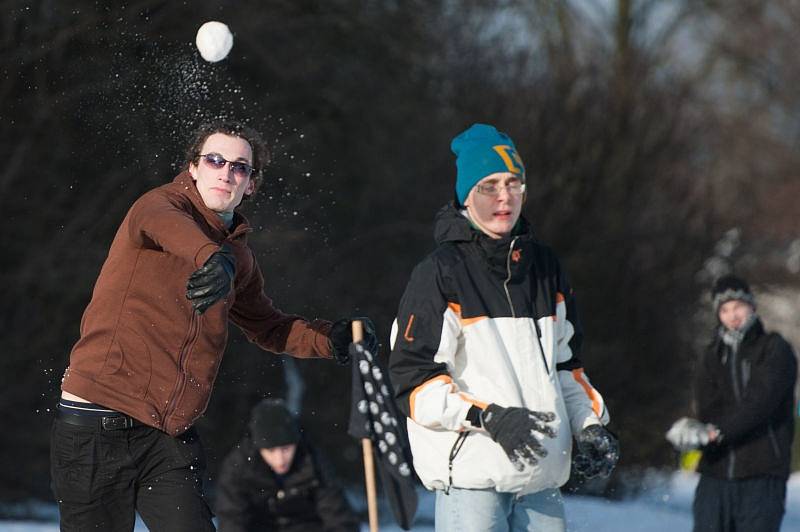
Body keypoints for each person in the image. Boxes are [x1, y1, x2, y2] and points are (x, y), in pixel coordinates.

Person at [49, 120, 375, 531]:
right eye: (215, 160)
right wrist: (210, 257)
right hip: (97, 423)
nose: (226, 172)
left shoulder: (238, 258)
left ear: (251, 184)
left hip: (166, 436)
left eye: (240, 167)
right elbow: (167, 224)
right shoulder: (156, 206)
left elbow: (269, 326)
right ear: (193, 168)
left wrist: (330, 339)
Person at [388, 123, 619, 532]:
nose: (504, 197)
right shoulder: (440, 273)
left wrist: (588, 426)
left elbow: (566, 367)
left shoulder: (545, 268)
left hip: (541, 476)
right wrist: (489, 417)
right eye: (489, 185)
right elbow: (414, 382)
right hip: (474, 479)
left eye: (514, 183)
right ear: (467, 195)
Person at [666, 274, 797, 532]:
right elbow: (706, 407)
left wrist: (718, 431)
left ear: (752, 306)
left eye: (738, 306)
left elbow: (761, 402)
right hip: (717, 473)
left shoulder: (774, 349)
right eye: (724, 309)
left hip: (762, 472)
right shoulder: (711, 355)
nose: (732, 315)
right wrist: (694, 429)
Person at [215, 398, 360, 532]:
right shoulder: (237, 468)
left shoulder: (312, 460)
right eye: (271, 450)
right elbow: (232, 521)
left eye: (286, 449)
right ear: (258, 448)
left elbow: (339, 518)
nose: (280, 459)